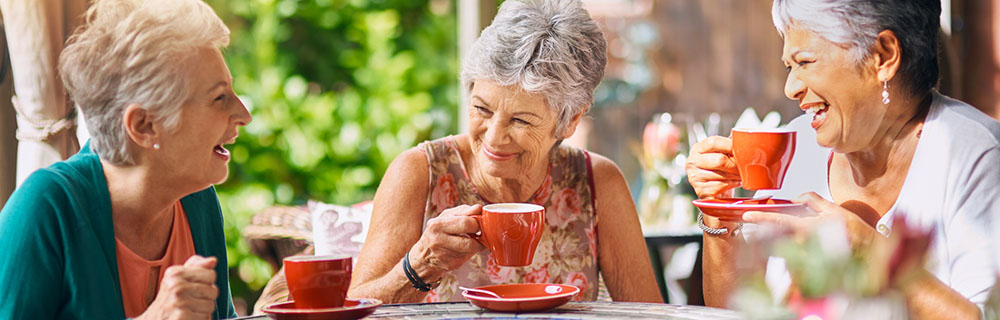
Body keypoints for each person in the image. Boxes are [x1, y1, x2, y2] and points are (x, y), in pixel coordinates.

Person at [686, 0, 1000, 318]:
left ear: (884, 56)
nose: (790, 88)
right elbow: (733, 311)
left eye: (805, 62)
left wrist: (869, 250)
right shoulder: (798, 146)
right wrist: (719, 212)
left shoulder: (975, 155)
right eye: (788, 67)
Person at [348, 0, 661, 303]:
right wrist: (421, 264)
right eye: (482, 109)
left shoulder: (597, 182)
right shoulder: (419, 171)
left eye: (521, 120)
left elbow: (651, 316)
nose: (494, 138)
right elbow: (353, 308)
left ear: (572, 119)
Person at [0, 0, 252, 318]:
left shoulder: (196, 200)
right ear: (144, 126)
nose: (244, 115)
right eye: (219, 97)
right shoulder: (44, 208)